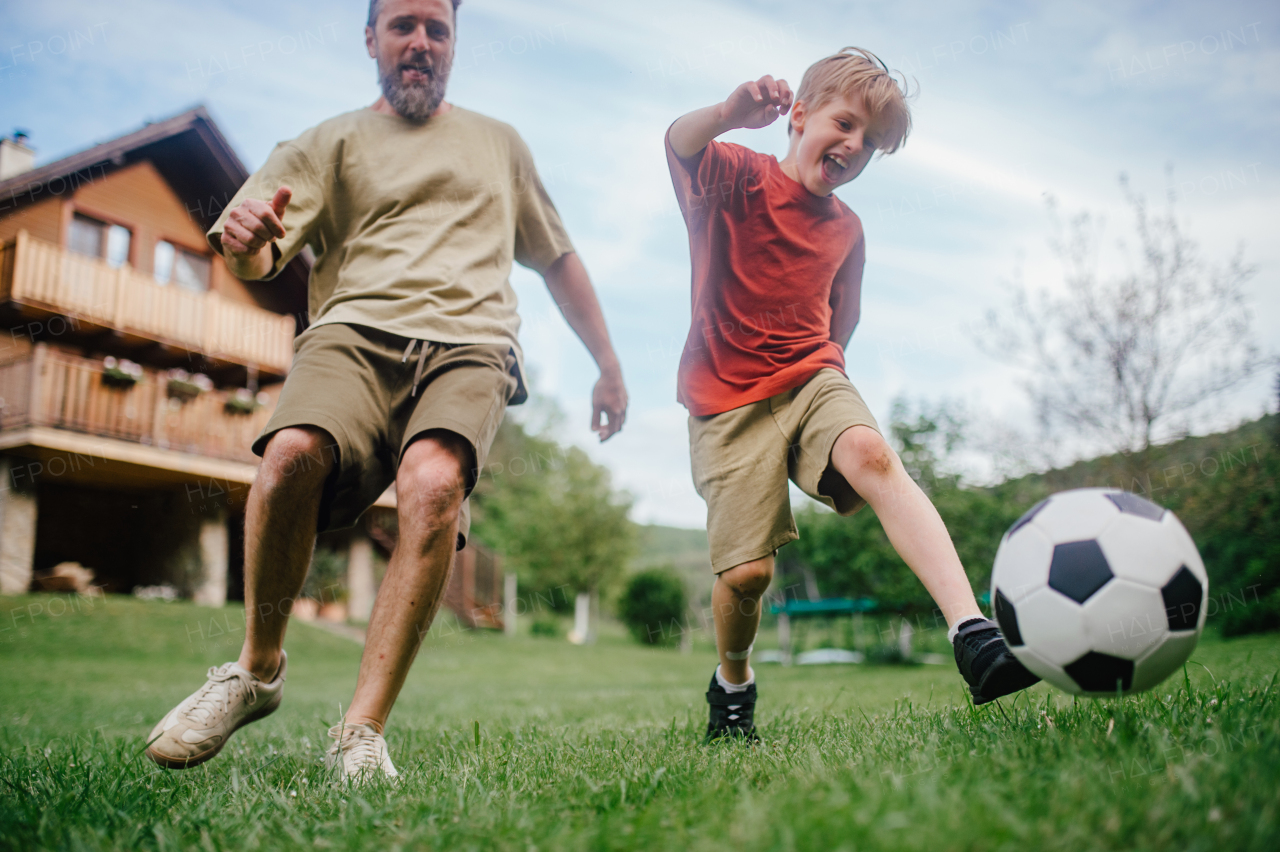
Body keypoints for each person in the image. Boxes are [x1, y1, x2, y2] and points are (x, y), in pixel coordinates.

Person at [144, 0, 627, 781]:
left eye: (438, 28)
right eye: (403, 24)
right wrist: (247, 248)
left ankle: (361, 730)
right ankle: (257, 670)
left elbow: (558, 258)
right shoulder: (323, 143)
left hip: (472, 342)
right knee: (292, 453)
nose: (421, 42)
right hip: (353, 332)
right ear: (371, 38)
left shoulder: (499, 144)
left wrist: (607, 363)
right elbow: (255, 252)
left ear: (454, 44)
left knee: (434, 485)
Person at [664, 47, 1038, 741]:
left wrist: (825, 380)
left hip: (811, 374)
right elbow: (679, 142)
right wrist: (729, 114)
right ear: (799, 116)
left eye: (870, 144)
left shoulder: (846, 230)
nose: (854, 145)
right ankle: (733, 680)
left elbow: (847, 315)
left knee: (870, 452)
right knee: (746, 576)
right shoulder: (732, 175)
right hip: (725, 401)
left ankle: (973, 634)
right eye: (845, 123)